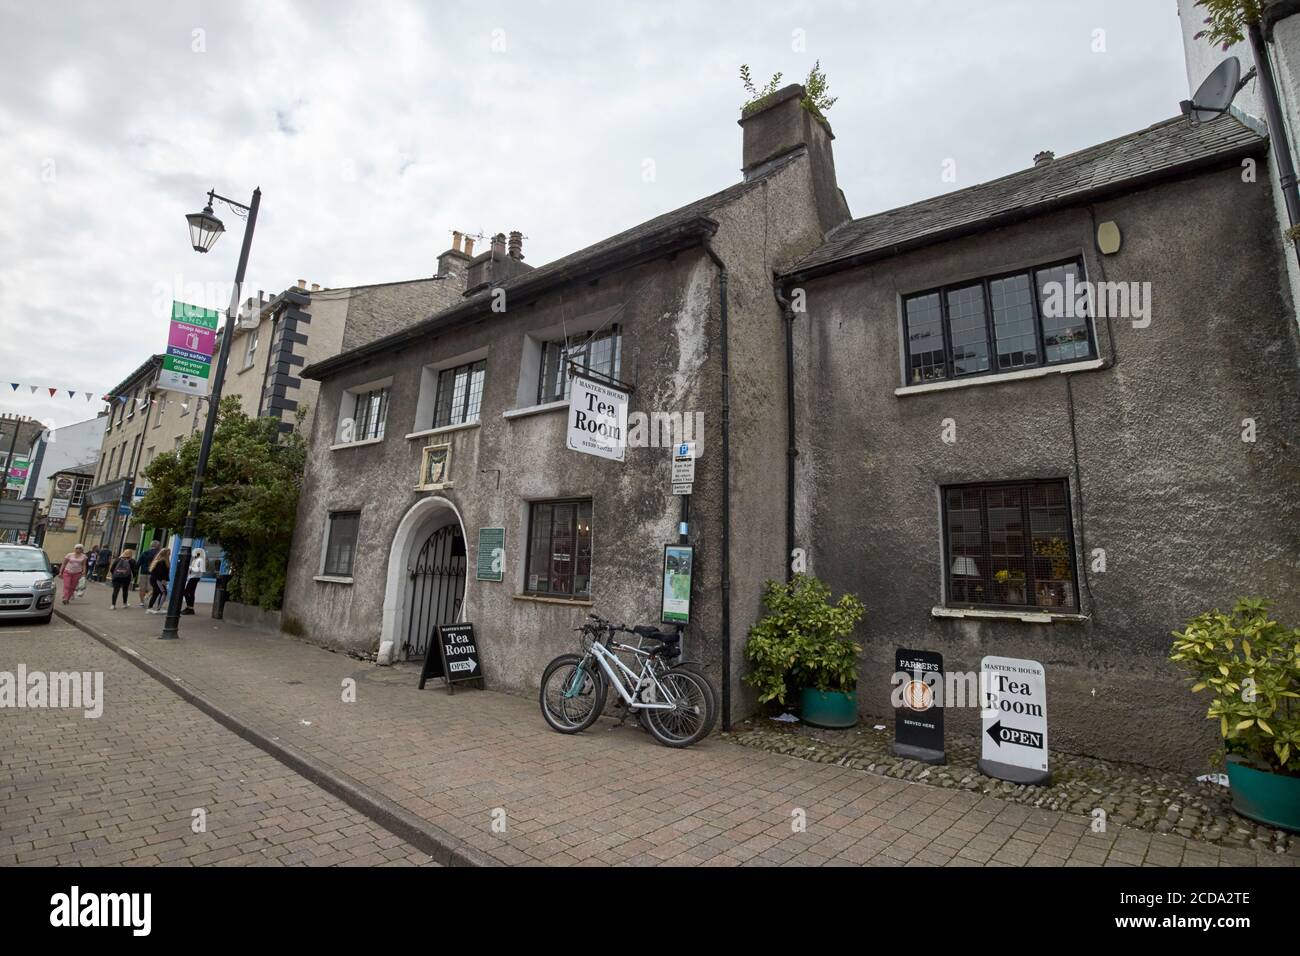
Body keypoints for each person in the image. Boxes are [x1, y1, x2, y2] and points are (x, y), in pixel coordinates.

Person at [181, 546, 206, 615]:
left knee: (186, 592)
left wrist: (190, 567)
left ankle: (190, 608)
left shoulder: (200, 560)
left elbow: (198, 570)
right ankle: (189, 608)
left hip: (194, 578)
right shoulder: (197, 560)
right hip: (193, 577)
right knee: (190, 593)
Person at [146, 548, 171, 613]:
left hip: (156, 579)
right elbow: (161, 573)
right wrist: (163, 580)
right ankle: (158, 609)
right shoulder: (162, 562)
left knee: (156, 593)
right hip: (158, 580)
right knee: (164, 593)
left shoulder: (160, 560)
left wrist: (164, 580)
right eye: (169, 552)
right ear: (166, 554)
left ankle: (150, 608)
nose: (170, 553)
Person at [136, 542, 159, 606]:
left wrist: (136, 571)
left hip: (143, 573)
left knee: (142, 588)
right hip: (153, 573)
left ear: (151, 545)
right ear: (157, 546)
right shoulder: (158, 554)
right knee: (152, 588)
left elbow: (138, 563)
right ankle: (147, 596)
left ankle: (141, 602)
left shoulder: (144, 552)